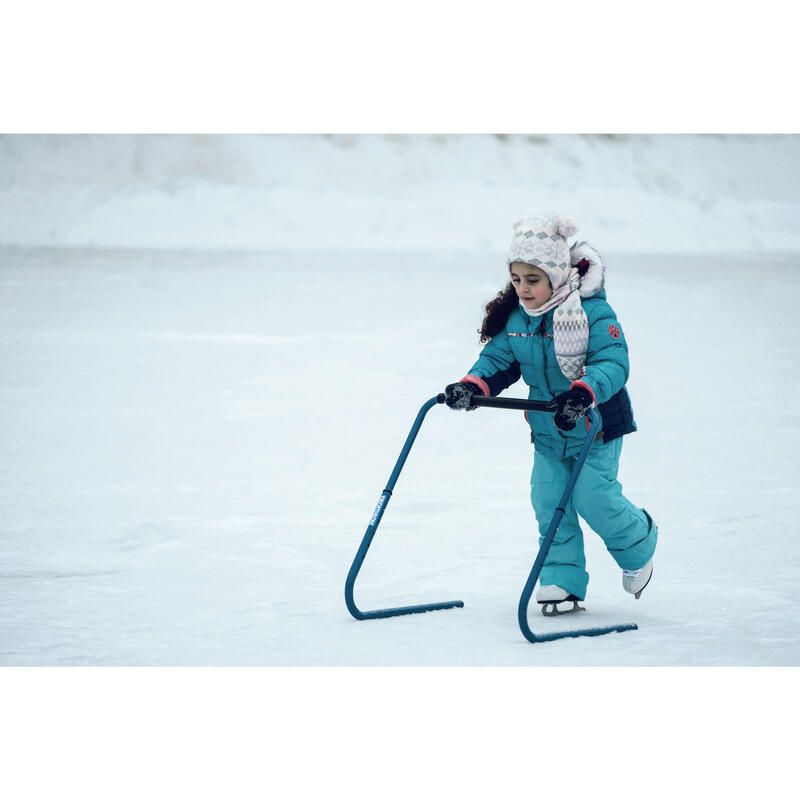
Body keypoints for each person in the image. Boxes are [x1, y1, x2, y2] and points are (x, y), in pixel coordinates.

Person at [444, 214, 657, 615]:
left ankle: (639, 545)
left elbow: (613, 362)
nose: (523, 289)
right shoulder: (518, 320)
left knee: (593, 497)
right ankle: (562, 579)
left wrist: (583, 393)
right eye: (517, 278)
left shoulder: (592, 312)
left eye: (533, 279)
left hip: (595, 426)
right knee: (548, 502)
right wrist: (473, 386)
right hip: (548, 430)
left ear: (556, 275)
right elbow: (499, 360)